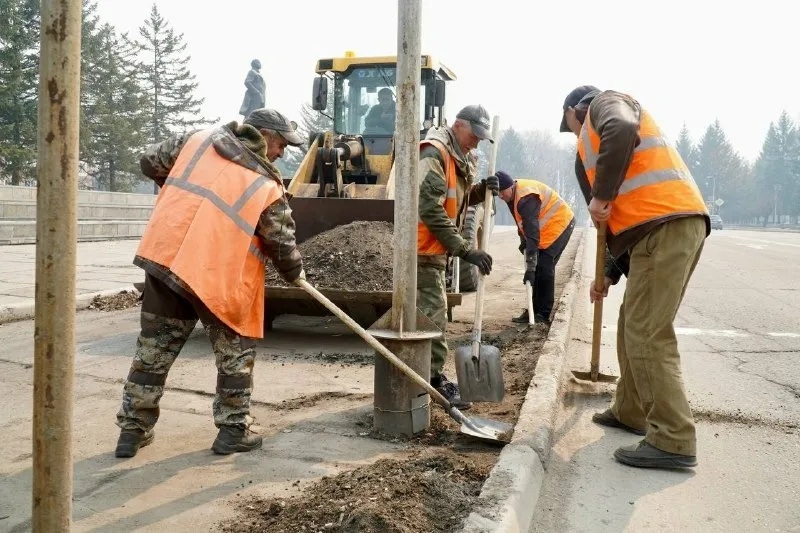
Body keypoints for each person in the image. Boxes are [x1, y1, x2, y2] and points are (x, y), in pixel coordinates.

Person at [115, 108, 306, 458]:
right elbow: (280, 241)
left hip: (166, 257)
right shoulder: (265, 183)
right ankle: (233, 430)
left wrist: (185, 198)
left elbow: (148, 162)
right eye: (281, 144)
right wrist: (295, 273)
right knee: (235, 354)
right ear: (263, 135)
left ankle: (132, 431)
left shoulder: (197, 141)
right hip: (219, 276)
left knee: (152, 353)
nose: (281, 153)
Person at [560, 85, 710, 468]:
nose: (574, 134)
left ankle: (673, 438)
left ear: (576, 110)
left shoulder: (606, 105)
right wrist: (609, 273)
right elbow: (615, 224)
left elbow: (623, 129)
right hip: (655, 231)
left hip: (666, 226)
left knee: (647, 330)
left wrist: (601, 194)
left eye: (570, 125)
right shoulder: (589, 149)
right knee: (632, 321)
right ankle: (630, 411)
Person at [417, 104, 499, 409]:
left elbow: (457, 200)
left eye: (481, 138)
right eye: (474, 135)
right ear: (457, 125)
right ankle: (433, 382)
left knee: (430, 316)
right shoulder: (434, 153)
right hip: (421, 250)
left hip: (435, 252)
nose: (476, 141)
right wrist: (466, 249)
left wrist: (480, 191)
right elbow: (430, 209)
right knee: (434, 318)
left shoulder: (458, 157)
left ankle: (425, 378)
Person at [494, 172, 575, 324]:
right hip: (546, 229)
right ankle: (534, 309)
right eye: (497, 193)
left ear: (510, 187)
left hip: (560, 224)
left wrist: (530, 268)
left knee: (544, 267)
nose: (500, 196)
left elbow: (532, 233)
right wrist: (523, 241)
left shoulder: (526, 198)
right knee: (538, 267)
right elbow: (522, 224)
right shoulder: (512, 196)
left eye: (501, 192)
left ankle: (542, 314)